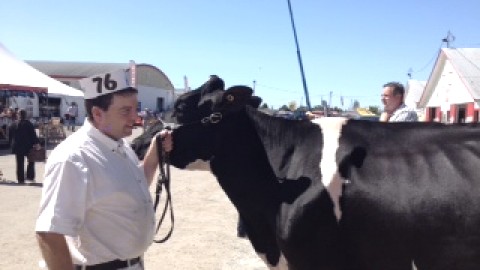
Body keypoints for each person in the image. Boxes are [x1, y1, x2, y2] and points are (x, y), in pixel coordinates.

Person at [35, 69, 172, 270]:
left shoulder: (119, 144)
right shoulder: (73, 158)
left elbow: (128, 190)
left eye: (136, 108)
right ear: (98, 114)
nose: (136, 118)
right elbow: (49, 233)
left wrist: (152, 159)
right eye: (126, 111)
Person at [10, 109, 41, 184]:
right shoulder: (29, 124)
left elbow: (10, 135)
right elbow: (33, 135)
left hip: (17, 146)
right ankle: (30, 177)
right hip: (28, 146)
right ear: (26, 115)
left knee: (19, 163)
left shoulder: (14, 124)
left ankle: (20, 179)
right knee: (31, 161)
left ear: (18, 115)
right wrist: (37, 143)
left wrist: (11, 144)